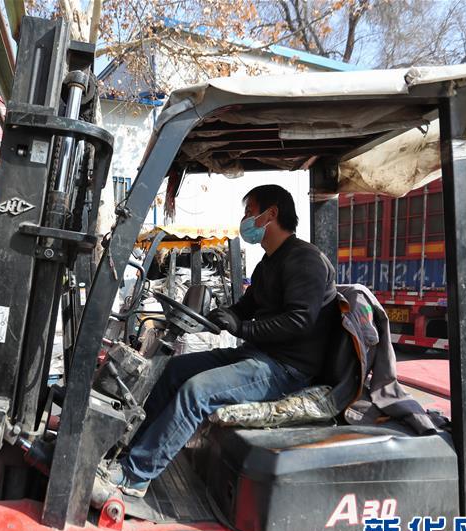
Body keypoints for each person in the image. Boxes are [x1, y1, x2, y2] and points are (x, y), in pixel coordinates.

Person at [95, 184, 339, 499]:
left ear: (272, 214)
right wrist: (221, 315)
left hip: (285, 370)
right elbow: (246, 308)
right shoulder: (269, 263)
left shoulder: (305, 260)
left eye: (250, 212)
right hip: (257, 357)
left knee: (198, 391)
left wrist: (241, 328)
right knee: (173, 370)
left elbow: (299, 321)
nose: (246, 220)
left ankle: (135, 476)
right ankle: (124, 451)